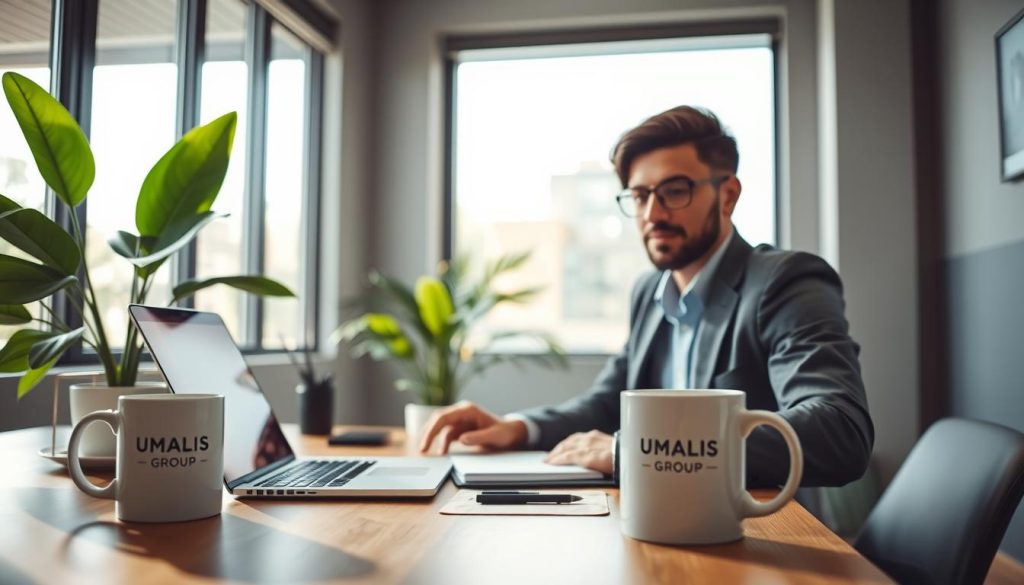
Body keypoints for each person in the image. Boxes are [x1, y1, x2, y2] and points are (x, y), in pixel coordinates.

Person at [419, 106, 873, 487]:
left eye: (675, 191)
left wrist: (635, 451)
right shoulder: (649, 293)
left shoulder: (784, 282)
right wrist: (517, 428)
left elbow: (839, 431)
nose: (653, 213)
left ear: (727, 195)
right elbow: (606, 403)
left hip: (760, 531)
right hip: (655, 519)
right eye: (639, 196)